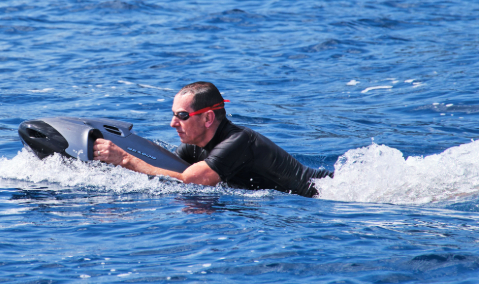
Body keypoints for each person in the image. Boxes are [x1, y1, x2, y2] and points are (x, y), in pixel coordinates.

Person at [93, 81, 333, 197]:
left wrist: (124, 159)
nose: (173, 123)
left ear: (208, 118)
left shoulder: (239, 141)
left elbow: (189, 181)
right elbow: (165, 174)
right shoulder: (192, 147)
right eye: (173, 115)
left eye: (182, 116)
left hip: (329, 194)